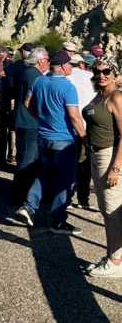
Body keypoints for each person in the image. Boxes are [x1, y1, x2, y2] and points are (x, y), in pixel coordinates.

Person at [16, 51, 88, 235]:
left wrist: (40, 119)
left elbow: (27, 103)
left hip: (44, 137)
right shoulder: (67, 86)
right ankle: (58, 221)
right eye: (70, 64)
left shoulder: (40, 81)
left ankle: (29, 206)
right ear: (63, 66)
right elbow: (74, 115)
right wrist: (84, 138)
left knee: (45, 173)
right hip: (63, 139)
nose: (71, 66)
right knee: (65, 180)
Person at [83, 56, 122, 276]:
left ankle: (116, 262)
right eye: (97, 71)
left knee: (112, 210)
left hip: (109, 156)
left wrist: (115, 168)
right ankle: (112, 256)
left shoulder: (116, 96)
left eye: (106, 71)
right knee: (106, 211)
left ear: (114, 73)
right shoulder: (99, 95)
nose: (101, 75)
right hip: (96, 156)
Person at [8, 47, 48, 205]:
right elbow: (33, 100)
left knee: (28, 159)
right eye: (47, 60)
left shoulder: (28, 73)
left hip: (25, 120)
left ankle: (26, 194)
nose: (49, 63)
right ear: (40, 61)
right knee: (28, 160)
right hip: (29, 122)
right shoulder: (34, 75)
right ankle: (18, 196)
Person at [68, 53, 98, 210]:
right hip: (86, 125)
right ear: (81, 64)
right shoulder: (89, 77)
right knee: (85, 164)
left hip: (67, 125)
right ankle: (83, 199)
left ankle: (65, 198)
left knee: (67, 163)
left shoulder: (64, 77)